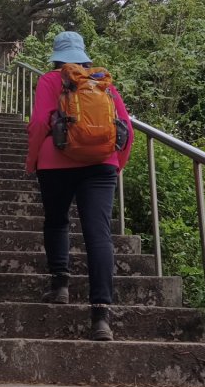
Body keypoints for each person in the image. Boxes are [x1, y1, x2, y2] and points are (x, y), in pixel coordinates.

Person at [24, 31, 134, 341]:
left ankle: (60, 285)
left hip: (54, 162)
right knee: (99, 236)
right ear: (84, 56)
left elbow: (38, 124)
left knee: (57, 221)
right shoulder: (103, 82)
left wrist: (32, 160)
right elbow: (127, 128)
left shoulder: (49, 80)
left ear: (57, 57)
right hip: (101, 164)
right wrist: (115, 165)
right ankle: (101, 316)